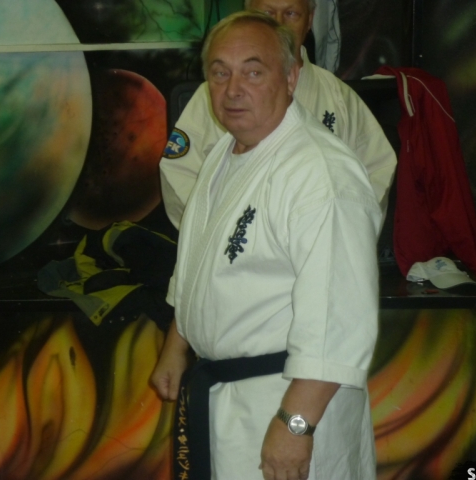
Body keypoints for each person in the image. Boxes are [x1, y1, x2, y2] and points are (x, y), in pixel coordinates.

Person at [151, 11, 381, 480]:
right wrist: (178, 343)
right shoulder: (225, 152)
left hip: (289, 401)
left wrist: (296, 423)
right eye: (220, 73)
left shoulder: (321, 174)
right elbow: (202, 262)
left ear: (292, 77)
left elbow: (340, 318)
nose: (232, 89)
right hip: (232, 400)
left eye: (253, 72)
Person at [160, 0, 396, 230]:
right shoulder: (218, 96)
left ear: (309, 20)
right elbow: (179, 175)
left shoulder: (339, 98)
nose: (279, 24)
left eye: (291, 14)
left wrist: (342, 227)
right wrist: (228, 236)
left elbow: (377, 170)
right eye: (267, 13)